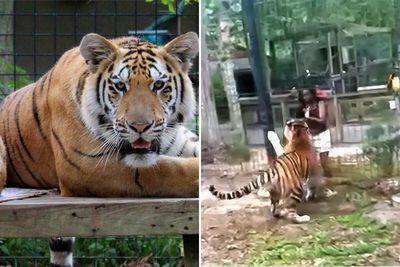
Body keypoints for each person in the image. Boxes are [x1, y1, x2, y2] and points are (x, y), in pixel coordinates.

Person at [296, 88, 332, 177]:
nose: (306, 97)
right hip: (310, 136)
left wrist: (308, 119)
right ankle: (314, 182)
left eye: (307, 94)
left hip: (322, 134)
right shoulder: (303, 108)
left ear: (312, 94)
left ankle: (329, 179)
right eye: (303, 95)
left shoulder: (320, 104)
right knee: (311, 162)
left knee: (324, 162)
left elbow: (322, 120)